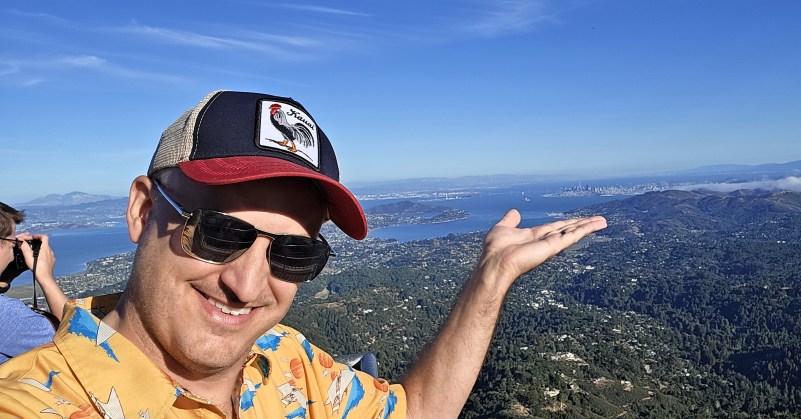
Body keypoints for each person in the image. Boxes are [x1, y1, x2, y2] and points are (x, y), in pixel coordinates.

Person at [0, 90, 607, 418]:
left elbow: (416, 410)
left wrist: (490, 278)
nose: (246, 285)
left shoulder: (285, 361)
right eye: (219, 233)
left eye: (293, 253)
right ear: (141, 210)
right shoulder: (33, 403)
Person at [0, 202, 67, 364]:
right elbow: (78, 343)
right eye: (13, 243)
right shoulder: (7, 316)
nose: (13, 254)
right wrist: (45, 277)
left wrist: (5, 278)